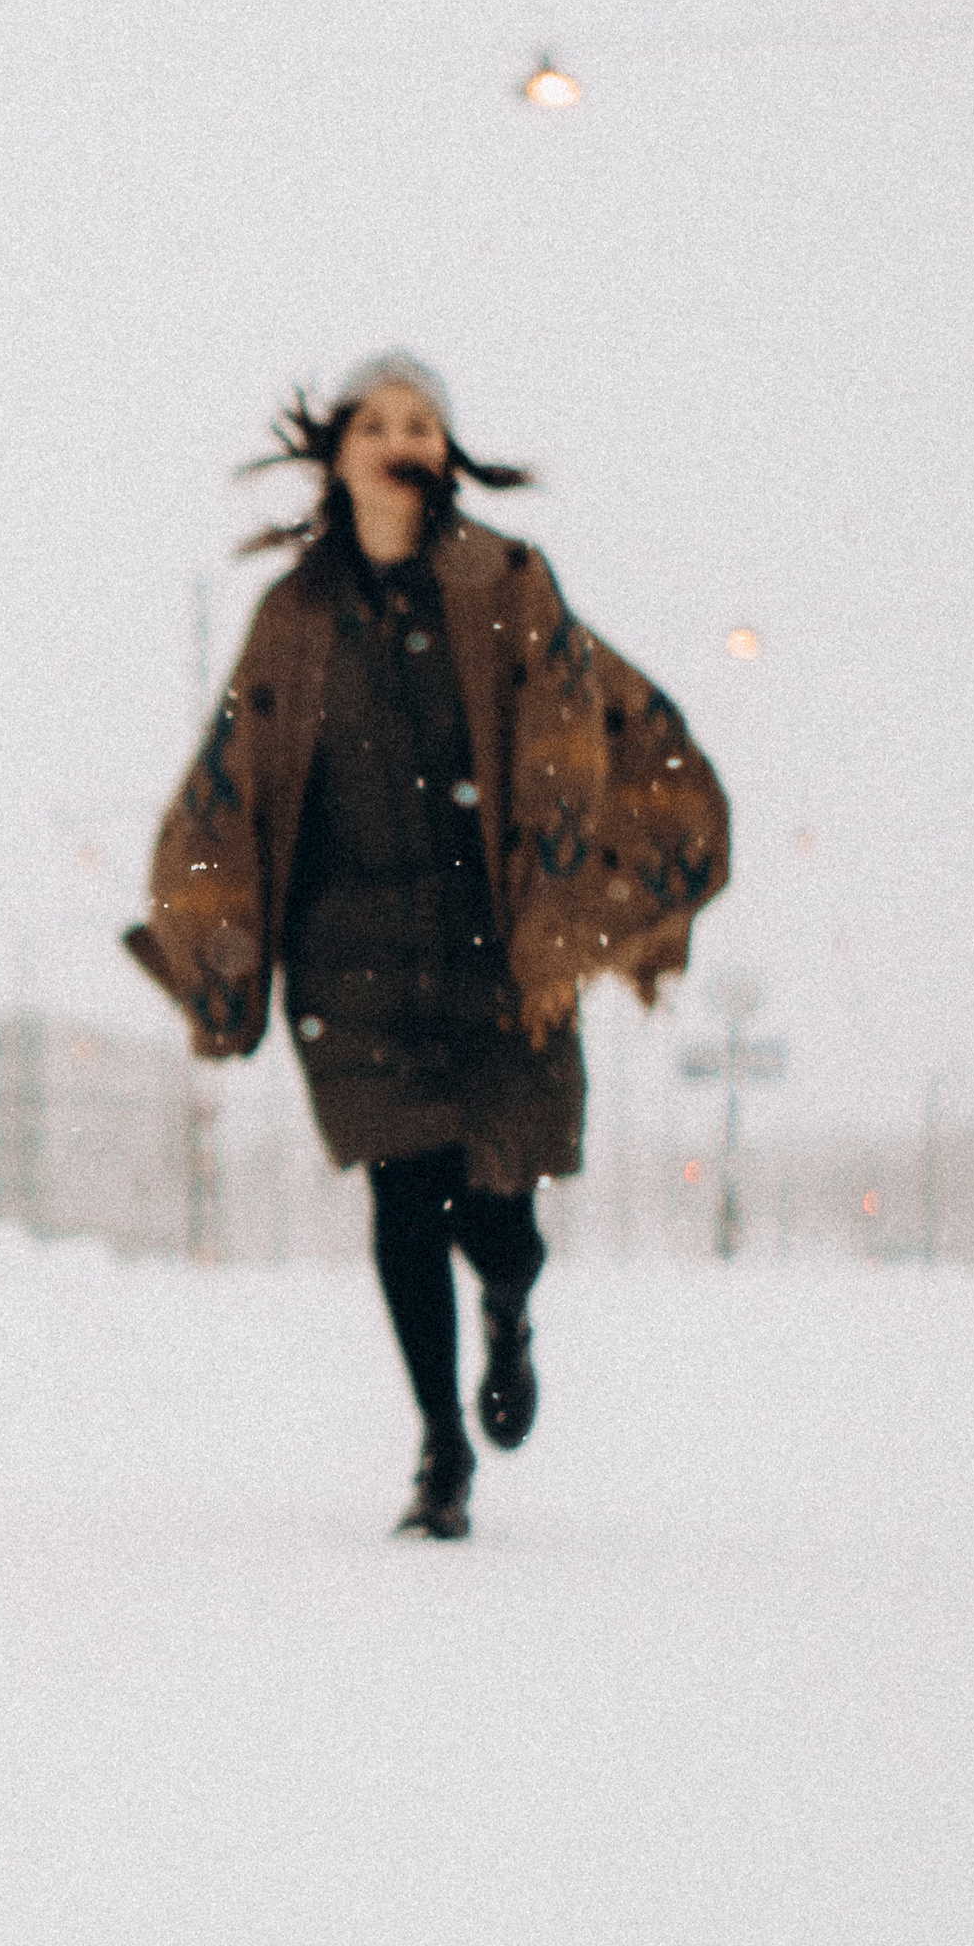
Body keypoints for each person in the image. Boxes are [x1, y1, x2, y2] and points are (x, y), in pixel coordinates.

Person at [127, 354, 729, 1537]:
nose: (401, 440)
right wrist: (214, 939)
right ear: (338, 452)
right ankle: (439, 1447)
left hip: (496, 948)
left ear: (444, 453)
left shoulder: (506, 583)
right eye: (378, 422)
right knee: (403, 1199)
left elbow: (576, 740)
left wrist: (569, 921)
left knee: (497, 1212)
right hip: (346, 956)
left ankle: (507, 1309)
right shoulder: (291, 618)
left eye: (422, 423)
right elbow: (233, 781)